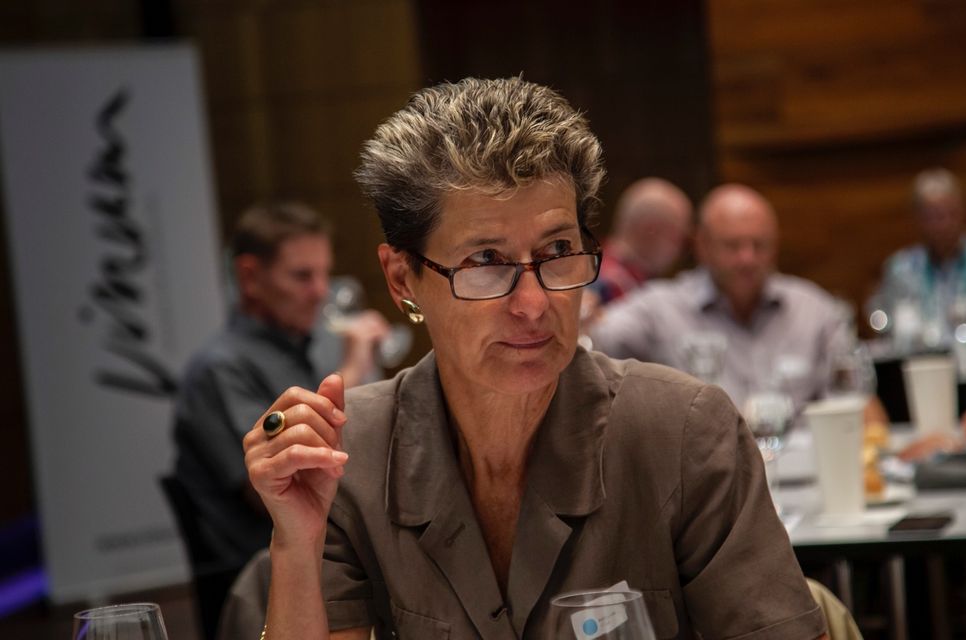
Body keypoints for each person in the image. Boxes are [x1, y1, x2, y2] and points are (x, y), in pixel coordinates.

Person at [240, 78, 826, 639]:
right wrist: (295, 543)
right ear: (402, 279)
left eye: (558, 249)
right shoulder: (349, 456)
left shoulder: (683, 433)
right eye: (486, 260)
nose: (534, 303)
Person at [172, 202, 390, 575]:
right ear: (249, 277)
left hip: (329, 546)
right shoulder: (219, 369)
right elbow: (279, 491)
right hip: (265, 570)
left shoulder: (300, 350)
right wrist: (354, 370)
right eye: (303, 276)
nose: (321, 291)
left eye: (324, 274)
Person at [589, 183, 853, 411]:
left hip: (807, 452)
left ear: (775, 245)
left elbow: (857, 401)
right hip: (706, 453)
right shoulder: (660, 308)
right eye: (732, 245)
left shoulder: (814, 310)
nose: (747, 258)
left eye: (759, 245)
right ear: (702, 246)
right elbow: (595, 338)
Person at [878, 167, 966, 342]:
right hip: (924, 356)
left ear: (964, 210)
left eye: (950, 213)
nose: (943, 224)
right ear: (917, 218)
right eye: (932, 216)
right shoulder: (900, 268)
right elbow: (887, 327)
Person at [590, 177, 693, 305]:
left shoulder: (594, 268)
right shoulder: (609, 286)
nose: (679, 250)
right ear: (650, 229)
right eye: (678, 237)